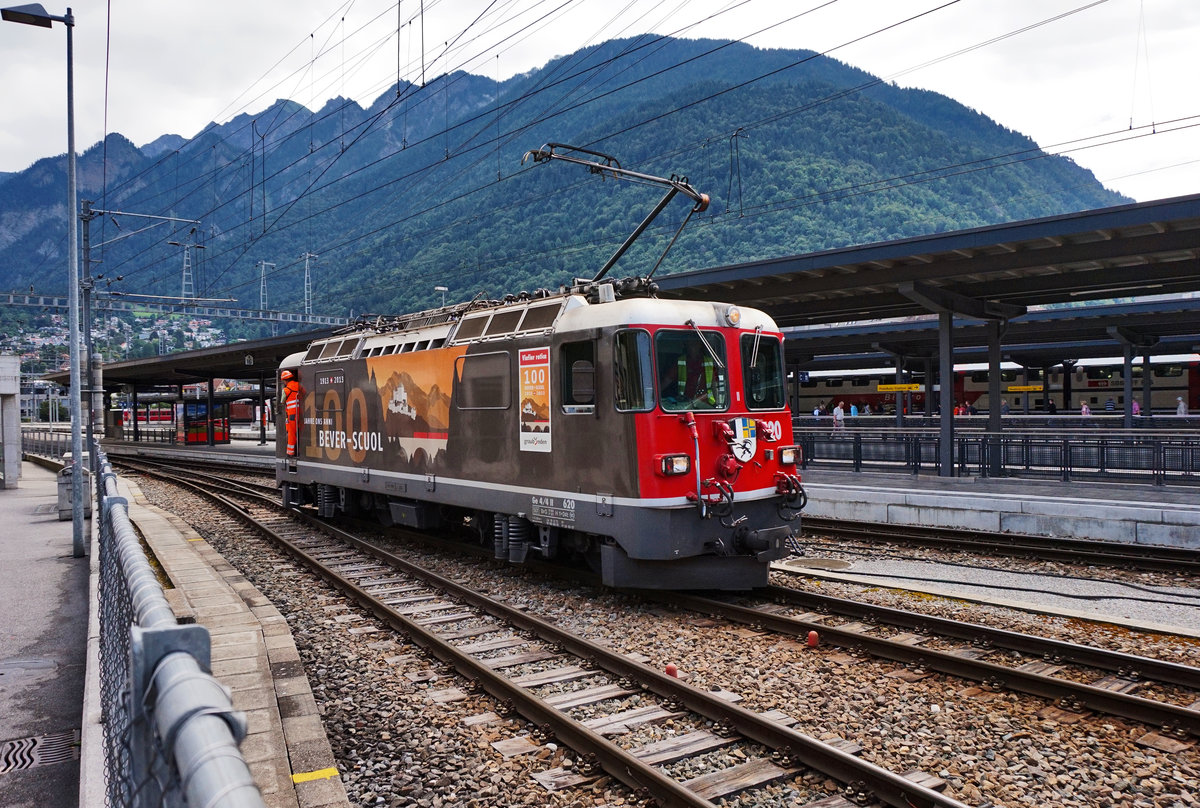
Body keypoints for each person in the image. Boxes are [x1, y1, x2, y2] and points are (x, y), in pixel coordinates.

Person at [280, 369, 302, 456]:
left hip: (292, 415)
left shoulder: (286, 390)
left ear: (285, 380)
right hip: (301, 413)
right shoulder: (299, 385)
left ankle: (290, 452)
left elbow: (282, 401)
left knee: (291, 433)